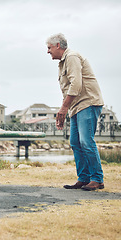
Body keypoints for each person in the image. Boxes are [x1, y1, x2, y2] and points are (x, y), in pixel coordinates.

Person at [46, 33, 104, 191]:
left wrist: (64, 108)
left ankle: (97, 179)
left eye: (49, 47)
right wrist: (65, 108)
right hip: (77, 106)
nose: (48, 51)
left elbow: (76, 84)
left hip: (88, 103)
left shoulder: (71, 57)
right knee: (75, 142)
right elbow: (68, 90)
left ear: (58, 45)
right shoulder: (63, 63)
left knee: (86, 141)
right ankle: (84, 178)